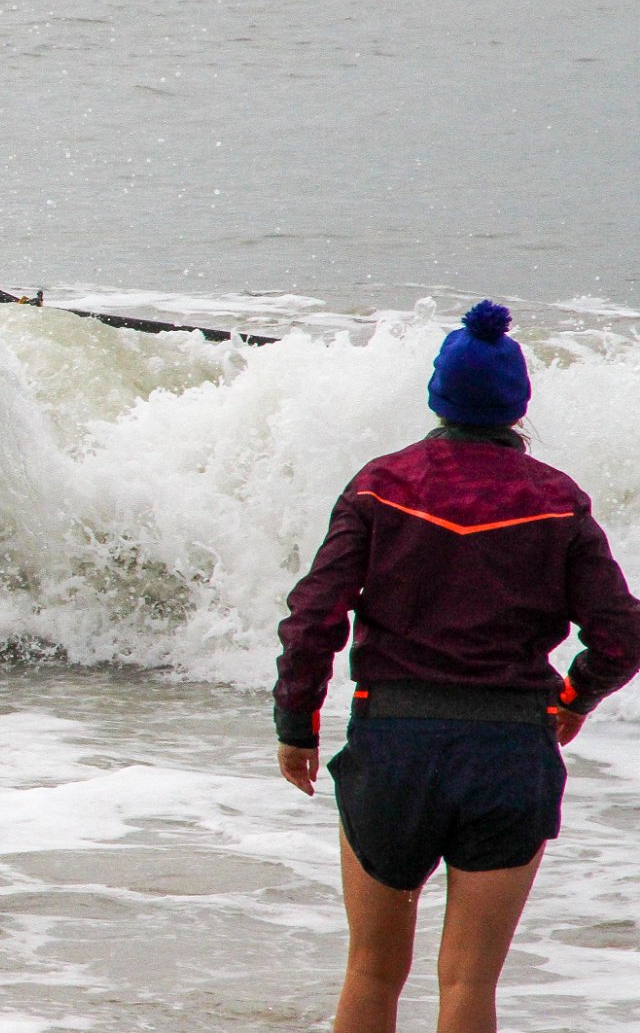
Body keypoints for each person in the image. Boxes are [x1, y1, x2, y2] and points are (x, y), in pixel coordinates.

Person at [274, 300, 640, 1033]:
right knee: (469, 984)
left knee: (372, 973)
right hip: (508, 754)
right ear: (518, 403)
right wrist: (573, 697)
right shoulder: (558, 499)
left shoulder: (382, 484)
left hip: (395, 750)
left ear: (439, 394)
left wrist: (297, 724)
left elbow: (314, 614)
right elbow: (623, 634)